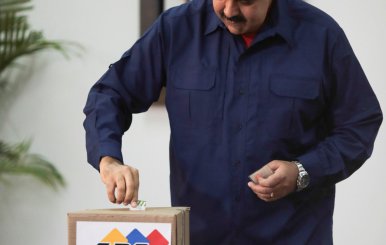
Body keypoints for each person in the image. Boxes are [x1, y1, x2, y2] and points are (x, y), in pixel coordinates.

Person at [83, 0, 383, 244]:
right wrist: (108, 160)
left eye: (246, 1)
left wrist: (302, 171)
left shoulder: (321, 35)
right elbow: (111, 93)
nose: (229, 10)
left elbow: (360, 123)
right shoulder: (177, 29)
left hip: (294, 236)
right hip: (198, 237)